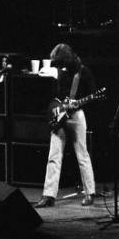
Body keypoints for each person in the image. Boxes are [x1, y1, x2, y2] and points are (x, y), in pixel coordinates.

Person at [36, 43, 97, 208]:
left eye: (61, 64)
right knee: (54, 155)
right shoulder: (60, 71)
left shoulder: (83, 72)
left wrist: (78, 103)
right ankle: (48, 195)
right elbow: (56, 94)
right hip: (60, 115)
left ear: (67, 60)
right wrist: (56, 109)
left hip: (76, 115)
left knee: (82, 154)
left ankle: (90, 192)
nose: (60, 67)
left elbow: (93, 94)